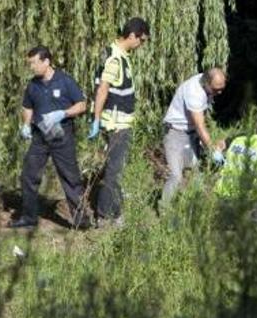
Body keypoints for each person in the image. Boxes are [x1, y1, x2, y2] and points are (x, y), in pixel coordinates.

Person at [10, 46, 89, 229]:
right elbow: (27, 107)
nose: (31, 67)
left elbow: (82, 105)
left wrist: (63, 113)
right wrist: (25, 124)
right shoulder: (33, 85)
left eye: (34, 63)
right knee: (28, 176)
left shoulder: (65, 81)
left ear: (46, 62)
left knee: (70, 178)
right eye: (30, 63)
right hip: (39, 137)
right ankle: (29, 217)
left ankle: (81, 221)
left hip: (61, 135)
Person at [88, 17, 150, 227]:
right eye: (141, 40)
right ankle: (105, 216)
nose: (141, 45)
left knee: (116, 169)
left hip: (118, 123)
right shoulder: (115, 58)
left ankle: (114, 211)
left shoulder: (118, 53)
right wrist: (96, 118)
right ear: (132, 35)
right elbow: (103, 88)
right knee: (114, 170)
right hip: (116, 125)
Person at [161, 67, 227, 204]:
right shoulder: (194, 92)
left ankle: (196, 206)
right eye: (216, 89)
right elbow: (199, 125)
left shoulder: (206, 85)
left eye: (222, 88)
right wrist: (212, 149)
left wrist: (207, 141)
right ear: (207, 83)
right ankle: (164, 211)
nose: (219, 92)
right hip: (175, 134)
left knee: (196, 173)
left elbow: (202, 119)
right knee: (176, 176)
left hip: (191, 134)